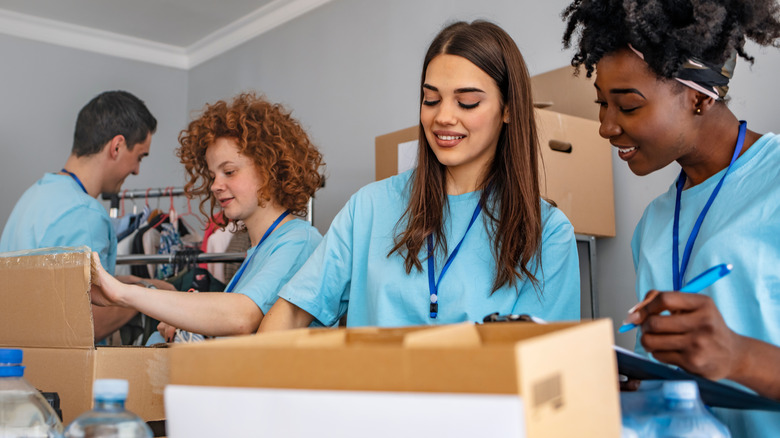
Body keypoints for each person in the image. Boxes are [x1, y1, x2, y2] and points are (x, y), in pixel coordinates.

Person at [260, 20, 580, 331]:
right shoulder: (368, 208)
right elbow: (290, 313)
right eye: (431, 99)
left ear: (508, 108)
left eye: (467, 103)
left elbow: (542, 362)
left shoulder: (547, 233)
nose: (443, 117)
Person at [562, 0, 780, 435]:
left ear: (698, 98)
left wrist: (739, 357)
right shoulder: (654, 223)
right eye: (601, 104)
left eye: (627, 107)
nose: (605, 126)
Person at [89, 92, 324, 339]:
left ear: (270, 170)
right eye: (213, 175)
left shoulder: (300, 242)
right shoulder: (259, 251)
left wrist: (123, 293)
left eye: (229, 172)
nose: (215, 185)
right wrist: (189, 320)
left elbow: (241, 317)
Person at [0, 90, 162, 342]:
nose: (137, 170)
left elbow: (46, 292)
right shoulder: (84, 214)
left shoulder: (35, 196)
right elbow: (85, 323)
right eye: (139, 157)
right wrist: (148, 293)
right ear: (117, 146)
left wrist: (122, 283)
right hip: (59, 377)